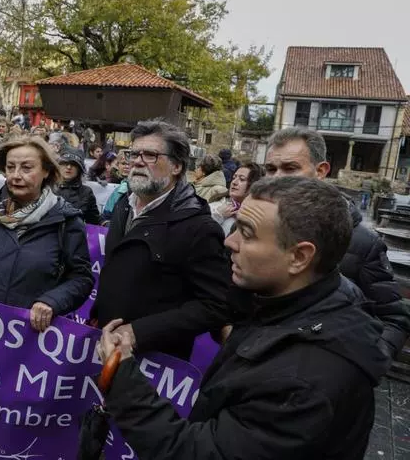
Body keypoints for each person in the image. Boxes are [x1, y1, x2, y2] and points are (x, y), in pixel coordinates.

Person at [94, 177, 389, 460]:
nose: (229, 241)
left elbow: (196, 453)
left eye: (247, 233)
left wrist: (120, 375)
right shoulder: (280, 304)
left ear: (299, 257)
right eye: (235, 227)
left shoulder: (303, 383)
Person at [265, 127, 410, 360]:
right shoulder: (252, 230)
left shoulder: (362, 243)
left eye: (290, 168)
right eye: (271, 169)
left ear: (321, 171)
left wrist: (363, 365)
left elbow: (393, 318)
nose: (277, 178)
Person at [91, 121, 231, 360]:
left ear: (177, 166)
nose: (137, 161)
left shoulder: (199, 227)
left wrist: (138, 332)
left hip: (154, 362)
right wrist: (98, 314)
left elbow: (216, 305)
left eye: (150, 155)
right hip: (106, 345)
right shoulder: (124, 205)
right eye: (134, 154)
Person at [0, 136, 94, 331]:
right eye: (10, 167)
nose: (16, 175)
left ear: (46, 171)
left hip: (27, 337)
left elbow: (81, 279)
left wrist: (52, 301)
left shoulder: (67, 221)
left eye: (26, 168)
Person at [210, 162, 264, 236]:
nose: (234, 182)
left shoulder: (260, 215)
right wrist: (218, 216)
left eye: (242, 179)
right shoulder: (214, 208)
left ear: (255, 185)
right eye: (234, 178)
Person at [55, 147, 100, 224]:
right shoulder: (48, 188)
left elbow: (94, 220)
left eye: (73, 164)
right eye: (65, 163)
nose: (69, 167)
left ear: (79, 169)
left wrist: (105, 223)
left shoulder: (86, 192)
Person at [100, 151, 132, 224]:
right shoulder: (118, 189)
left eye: (130, 164)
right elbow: (106, 216)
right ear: (118, 166)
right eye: (123, 163)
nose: (126, 167)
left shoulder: (141, 188)